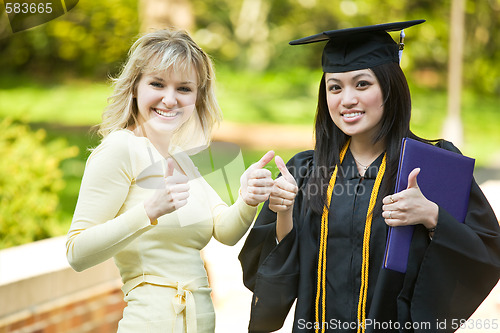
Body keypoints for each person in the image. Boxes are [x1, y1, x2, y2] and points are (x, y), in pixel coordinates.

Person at [239, 20, 500, 332]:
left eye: (362, 84)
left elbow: (485, 253)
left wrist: (432, 216)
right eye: (335, 87)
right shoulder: (306, 171)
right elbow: (271, 278)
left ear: (389, 87)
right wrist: (282, 213)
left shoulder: (432, 167)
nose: (347, 99)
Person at [66, 29, 275, 333]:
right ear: (135, 87)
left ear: (197, 96)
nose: (170, 99)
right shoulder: (120, 149)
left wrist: (247, 197)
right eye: (157, 84)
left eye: (184, 89)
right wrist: (148, 211)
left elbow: (224, 231)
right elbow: (77, 253)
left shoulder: (181, 158)